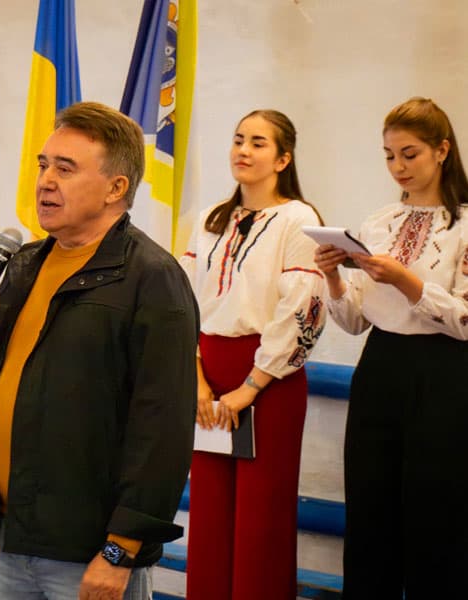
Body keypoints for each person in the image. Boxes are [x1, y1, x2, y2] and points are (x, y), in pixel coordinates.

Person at [0, 101, 199, 600]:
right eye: (43, 165)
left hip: (92, 553)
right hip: (15, 537)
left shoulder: (152, 278)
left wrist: (120, 551)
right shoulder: (24, 264)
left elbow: (163, 429)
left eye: (65, 168)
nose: (45, 181)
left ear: (115, 188)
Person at [314, 97, 468, 598]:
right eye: (389, 156)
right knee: (369, 504)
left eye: (409, 153)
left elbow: (465, 321)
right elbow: (355, 320)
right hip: (380, 365)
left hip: (444, 372)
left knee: (435, 511)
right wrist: (333, 276)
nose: (398, 166)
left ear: (442, 150)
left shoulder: (464, 225)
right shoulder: (379, 222)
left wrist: (406, 280)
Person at [180, 109, 326, 600]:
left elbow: (302, 306)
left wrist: (250, 387)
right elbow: (184, 300)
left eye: (258, 143)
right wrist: (197, 379)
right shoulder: (210, 220)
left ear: (283, 159)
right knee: (210, 512)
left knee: (261, 520)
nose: (243, 150)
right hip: (206, 376)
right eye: (239, 139)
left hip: (269, 381)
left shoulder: (298, 219)